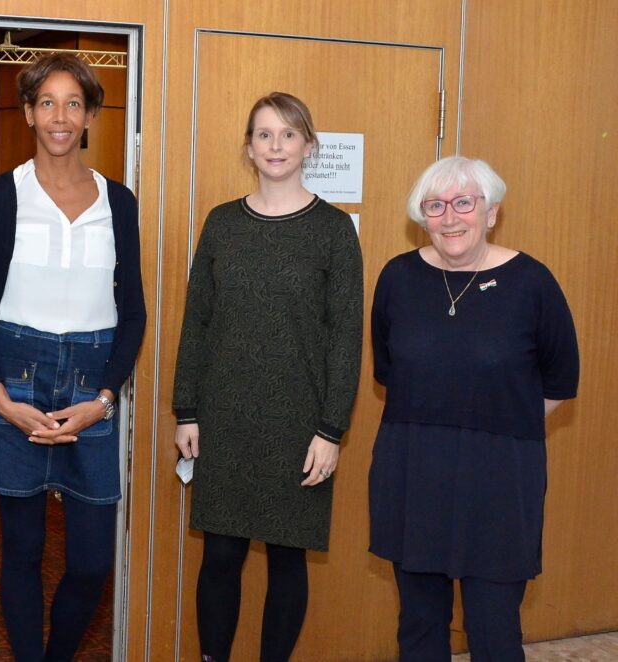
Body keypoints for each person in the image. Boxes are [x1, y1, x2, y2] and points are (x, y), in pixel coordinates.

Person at [0, 53, 146, 662]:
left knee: (92, 564)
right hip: (16, 379)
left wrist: (105, 399)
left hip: (94, 389)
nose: (60, 116)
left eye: (73, 103)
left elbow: (134, 313)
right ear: (28, 114)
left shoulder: (119, 203)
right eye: (47, 103)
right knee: (24, 553)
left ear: (91, 114)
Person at [172, 92, 363, 662]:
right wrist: (187, 410)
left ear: (309, 145)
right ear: (248, 148)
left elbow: (346, 339)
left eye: (288, 134)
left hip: (301, 427)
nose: (276, 145)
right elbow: (197, 322)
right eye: (264, 135)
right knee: (222, 557)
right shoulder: (222, 223)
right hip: (224, 419)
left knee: (287, 558)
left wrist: (332, 431)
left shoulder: (333, 230)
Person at [368, 156, 579, 661]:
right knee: (418, 624)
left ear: (492, 212)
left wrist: (497, 426)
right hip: (413, 469)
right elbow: (388, 371)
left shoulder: (533, 283)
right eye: (434, 205)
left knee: (494, 627)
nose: (450, 217)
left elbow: (559, 382)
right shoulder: (397, 278)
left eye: (464, 202)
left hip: (501, 478)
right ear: (421, 216)